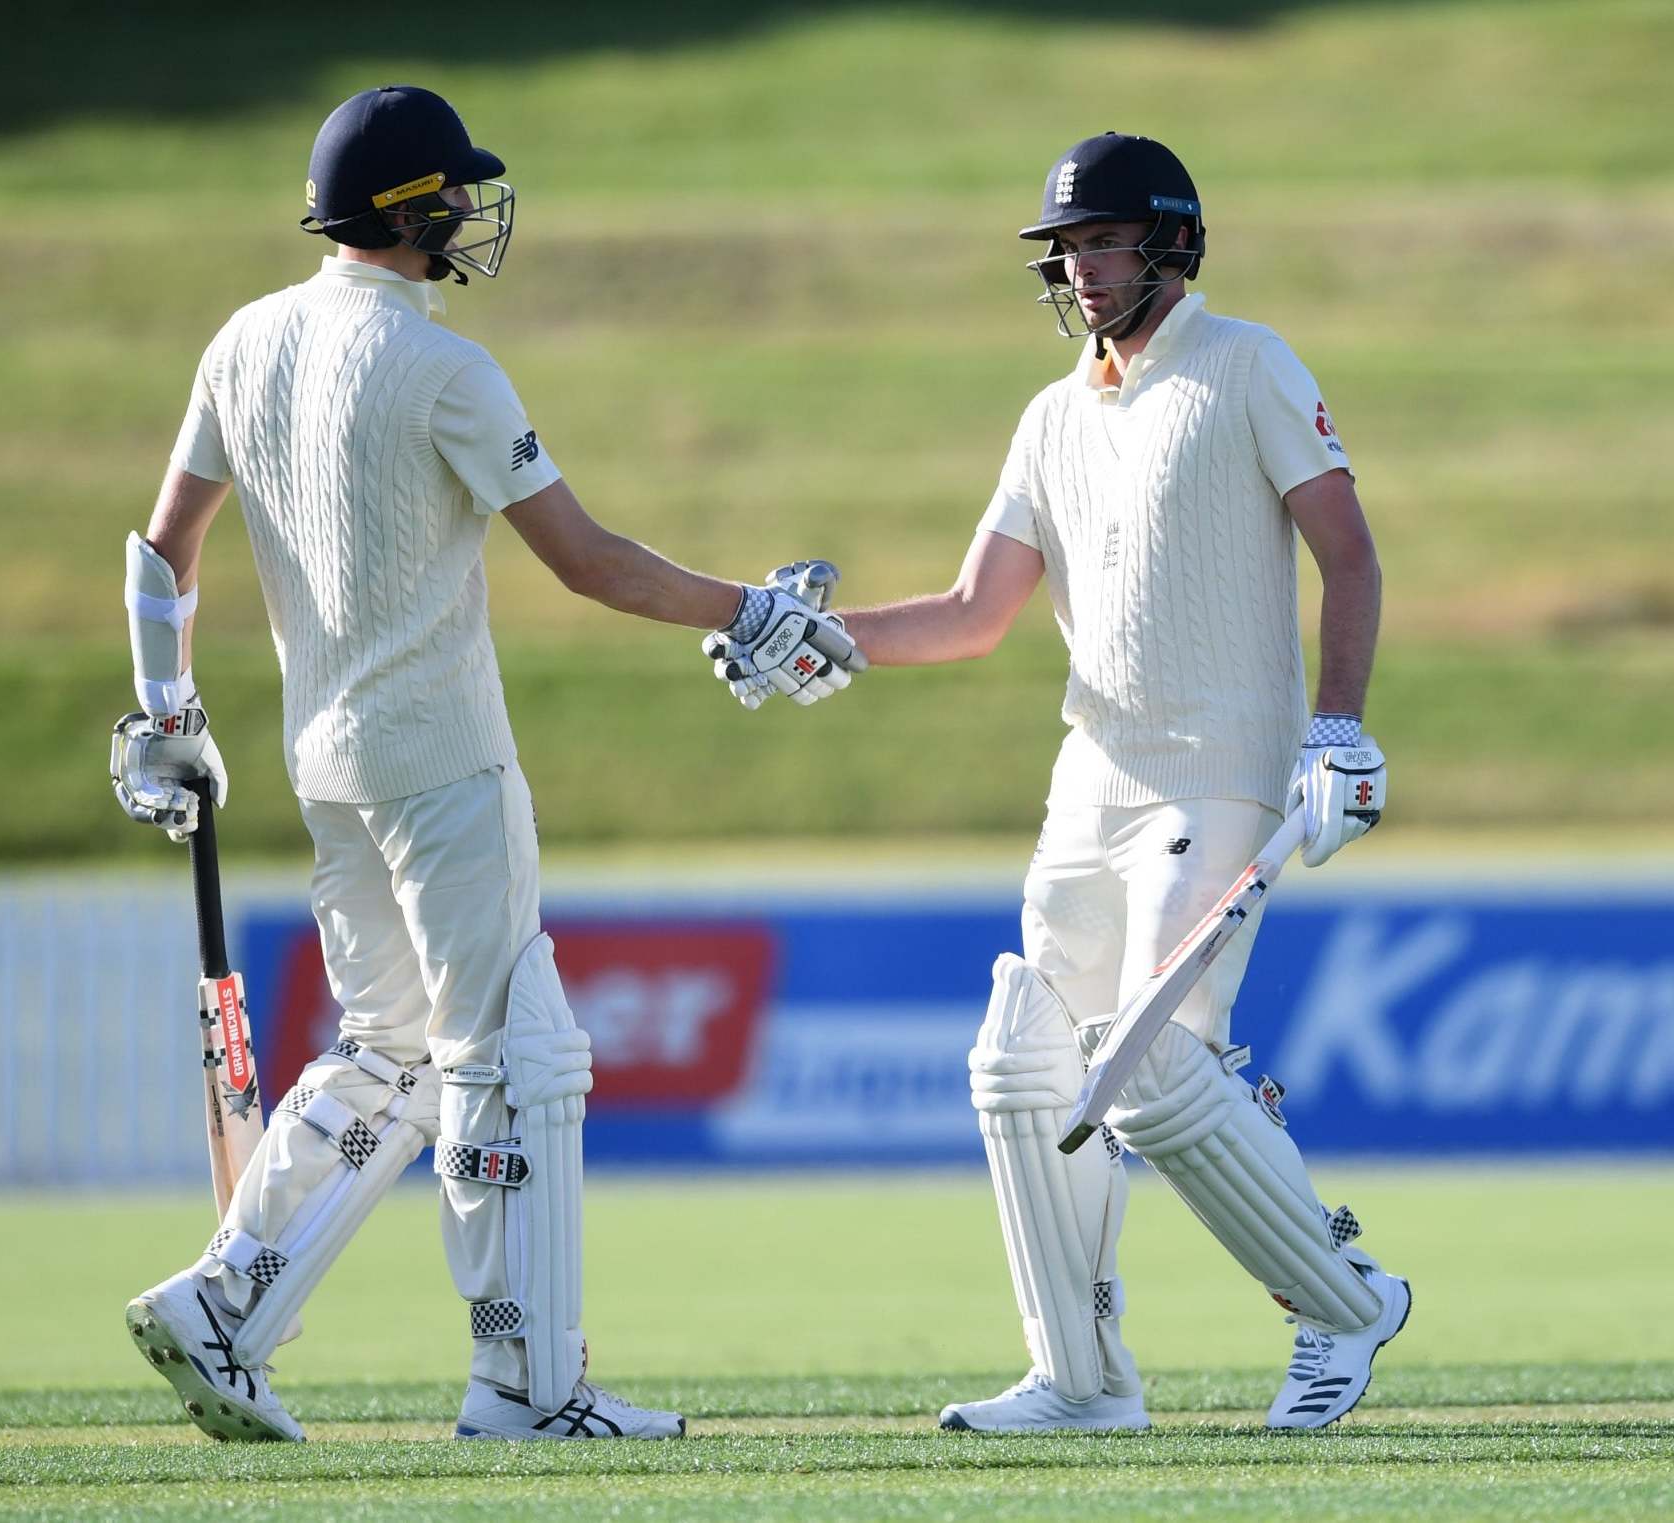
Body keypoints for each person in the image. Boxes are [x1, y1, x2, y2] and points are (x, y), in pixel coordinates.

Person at [107, 84, 862, 1445]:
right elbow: (589, 563)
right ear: (410, 210)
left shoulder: (245, 339)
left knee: (389, 1050)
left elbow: (161, 550)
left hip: (324, 763)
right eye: (450, 191)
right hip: (444, 764)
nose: (467, 210)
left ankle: (224, 1305)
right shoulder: (446, 370)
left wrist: (167, 715)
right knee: (507, 1057)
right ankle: (526, 1386)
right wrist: (748, 608)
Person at [755, 131, 1406, 1431]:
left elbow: (1351, 554)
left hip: (1218, 766)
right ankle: (1080, 1378)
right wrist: (826, 637)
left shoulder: (1245, 365)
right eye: (1066, 247)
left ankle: (1344, 1302)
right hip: (1089, 775)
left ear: (1169, 244)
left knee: (1155, 1064)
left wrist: (1336, 728)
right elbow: (970, 611)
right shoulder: (1052, 415)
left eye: (1102, 241)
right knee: (1018, 1060)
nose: (1080, 268)